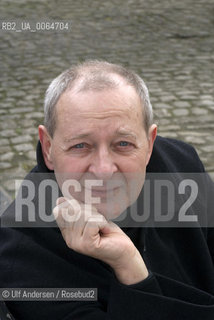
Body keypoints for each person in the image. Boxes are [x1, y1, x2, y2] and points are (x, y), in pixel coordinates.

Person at [0, 60, 214, 319]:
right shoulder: (21, 255)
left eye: (123, 143)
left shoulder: (182, 163)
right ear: (48, 148)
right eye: (80, 146)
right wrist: (130, 269)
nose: (103, 170)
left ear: (149, 143)